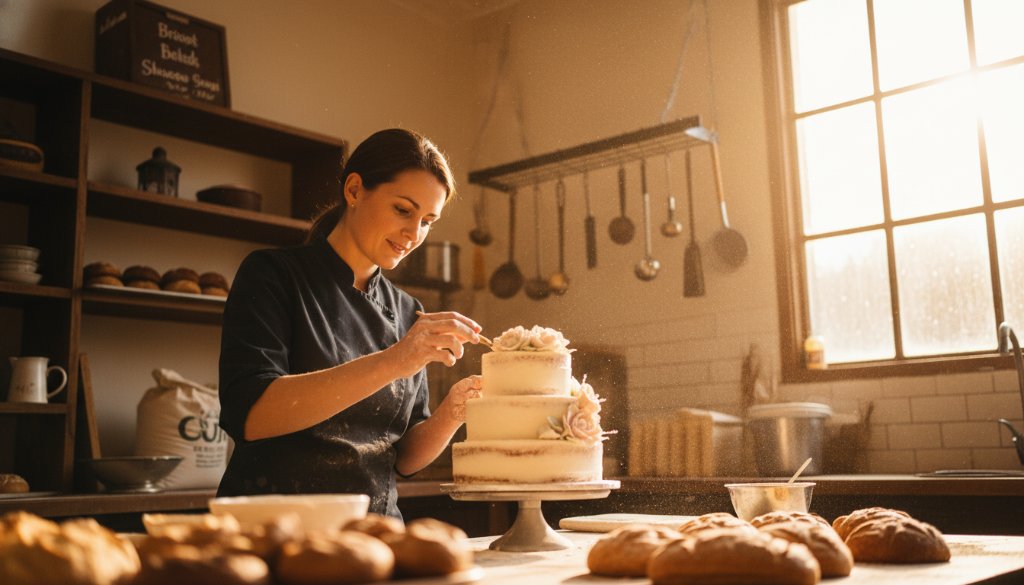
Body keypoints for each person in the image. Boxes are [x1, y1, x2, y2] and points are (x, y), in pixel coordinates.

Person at [217, 128, 484, 518]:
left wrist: (453, 412)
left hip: (374, 533)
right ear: (355, 190)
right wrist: (396, 360)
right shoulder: (271, 274)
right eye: (403, 210)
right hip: (274, 528)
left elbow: (405, 459)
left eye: (428, 220)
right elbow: (251, 416)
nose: (414, 234)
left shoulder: (410, 312)